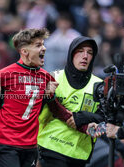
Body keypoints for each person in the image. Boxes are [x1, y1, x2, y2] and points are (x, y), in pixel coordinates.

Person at [0, 28, 59, 167]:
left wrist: (49, 96)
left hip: (31, 144)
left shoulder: (46, 77)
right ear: (24, 51)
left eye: (43, 44)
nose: (44, 48)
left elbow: (50, 106)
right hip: (7, 142)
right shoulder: (4, 74)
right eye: (38, 45)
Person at [38, 36, 104, 167]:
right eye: (80, 51)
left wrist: (83, 117)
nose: (85, 56)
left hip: (80, 153)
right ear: (71, 54)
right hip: (51, 146)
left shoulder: (99, 85)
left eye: (89, 52)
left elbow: (106, 119)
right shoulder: (53, 78)